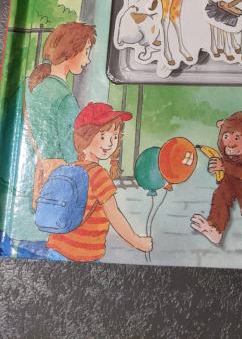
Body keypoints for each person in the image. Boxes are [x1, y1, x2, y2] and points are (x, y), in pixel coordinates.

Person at [1, 22, 96, 252]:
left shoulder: (26, 85)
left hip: (8, 206)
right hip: (41, 219)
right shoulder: (64, 99)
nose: (87, 60)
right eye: (86, 52)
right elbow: (71, 156)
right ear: (71, 51)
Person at [46, 102, 152, 262]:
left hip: (56, 248)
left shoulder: (70, 168)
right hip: (81, 256)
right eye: (102, 136)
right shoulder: (98, 174)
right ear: (86, 136)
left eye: (114, 137)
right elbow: (114, 215)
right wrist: (138, 242)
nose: (109, 144)